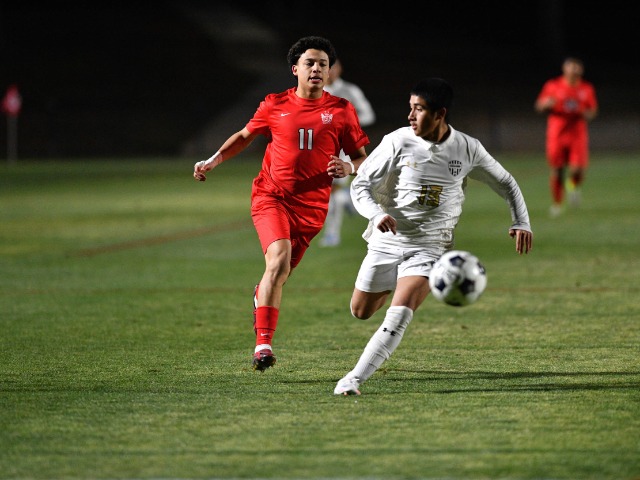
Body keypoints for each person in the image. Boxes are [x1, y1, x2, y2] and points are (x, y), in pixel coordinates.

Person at [334, 78, 533, 396]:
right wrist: (376, 214)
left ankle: (353, 379)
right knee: (360, 310)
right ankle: (397, 280)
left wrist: (521, 221)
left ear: (440, 114)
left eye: (419, 109)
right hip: (387, 239)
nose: (410, 115)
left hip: (431, 246)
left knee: (399, 314)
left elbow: (506, 182)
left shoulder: (467, 148)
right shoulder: (397, 141)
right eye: (410, 108)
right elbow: (361, 184)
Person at [193, 36, 370, 372]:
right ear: (295, 69)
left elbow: (362, 158)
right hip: (271, 196)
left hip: (313, 209)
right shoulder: (275, 104)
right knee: (277, 261)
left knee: (279, 273)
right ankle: (263, 345)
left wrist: (348, 167)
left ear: (329, 71)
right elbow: (245, 136)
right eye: (309, 63)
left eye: (322, 64)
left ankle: (261, 294)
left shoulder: (341, 110)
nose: (316, 69)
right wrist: (213, 160)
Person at [320, 59, 376, 247]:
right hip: (318, 148)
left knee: (332, 188)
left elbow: (368, 115)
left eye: (333, 66)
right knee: (325, 189)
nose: (329, 71)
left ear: (340, 69)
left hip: (344, 148)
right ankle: (347, 198)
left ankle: (332, 234)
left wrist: (347, 122)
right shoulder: (312, 91)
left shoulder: (350, 91)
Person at [534, 57, 598, 217]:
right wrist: (546, 104)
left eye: (577, 67)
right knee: (557, 169)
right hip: (557, 133)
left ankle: (572, 186)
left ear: (581, 70)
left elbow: (592, 112)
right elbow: (539, 106)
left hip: (577, 134)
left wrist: (584, 112)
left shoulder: (586, 88)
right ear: (564, 69)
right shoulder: (553, 86)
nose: (574, 70)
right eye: (571, 67)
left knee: (577, 170)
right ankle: (557, 204)